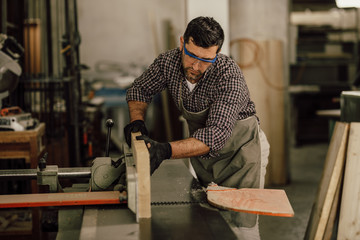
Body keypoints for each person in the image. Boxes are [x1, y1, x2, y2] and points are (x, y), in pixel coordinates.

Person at [124, 16, 269, 239]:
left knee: (242, 227)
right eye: (191, 56)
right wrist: (137, 121)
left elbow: (215, 137)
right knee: (212, 222)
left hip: (241, 157)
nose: (196, 66)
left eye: (206, 60)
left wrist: (164, 150)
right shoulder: (168, 62)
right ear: (183, 43)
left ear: (217, 53)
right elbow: (139, 90)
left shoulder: (228, 76)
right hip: (205, 158)